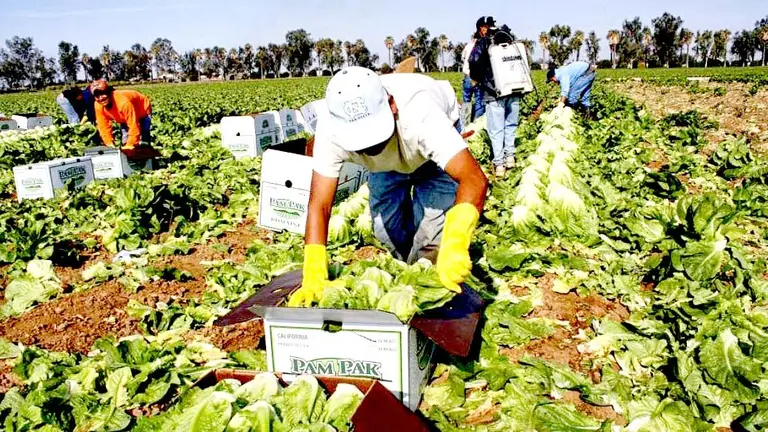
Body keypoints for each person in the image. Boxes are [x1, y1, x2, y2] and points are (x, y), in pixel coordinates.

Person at [288, 67, 489, 307]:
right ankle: (408, 269)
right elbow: (319, 204)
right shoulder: (331, 129)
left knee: (433, 241)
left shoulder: (423, 115)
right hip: (385, 167)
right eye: (359, 142)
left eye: (373, 137)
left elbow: (473, 179)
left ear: (392, 106)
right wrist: (313, 271)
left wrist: (456, 242)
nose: (369, 147)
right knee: (386, 231)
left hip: (428, 155)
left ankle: (428, 283)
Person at [469, 16, 519, 178]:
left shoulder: (484, 42)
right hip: (515, 89)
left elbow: (474, 60)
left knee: (496, 129)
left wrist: (477, 79)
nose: (483, 30)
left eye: (484, 27)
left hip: (493, 92)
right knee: (510, 124)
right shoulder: (509, 38)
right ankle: (510, 157)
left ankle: (499, 164)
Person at [91, 79, 152, 150]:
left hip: (142, 110)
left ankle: (147, 157)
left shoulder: (123, 103)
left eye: (102, 93)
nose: (100, 98)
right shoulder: (98, 105)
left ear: (108, 92)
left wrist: (130, 145)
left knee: (143, 139)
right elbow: (103, 126)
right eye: (97, 96)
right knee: (125, 141)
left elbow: (133, 125)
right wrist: (109, 143)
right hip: (123, 117)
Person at [461, 32, 484, 124]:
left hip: (467, 76)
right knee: (479, 101)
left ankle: (465, 123)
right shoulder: (482, 47)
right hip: (478, 77)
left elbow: (463, 58)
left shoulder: (468, 46)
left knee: (466, 100)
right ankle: (477, 124)